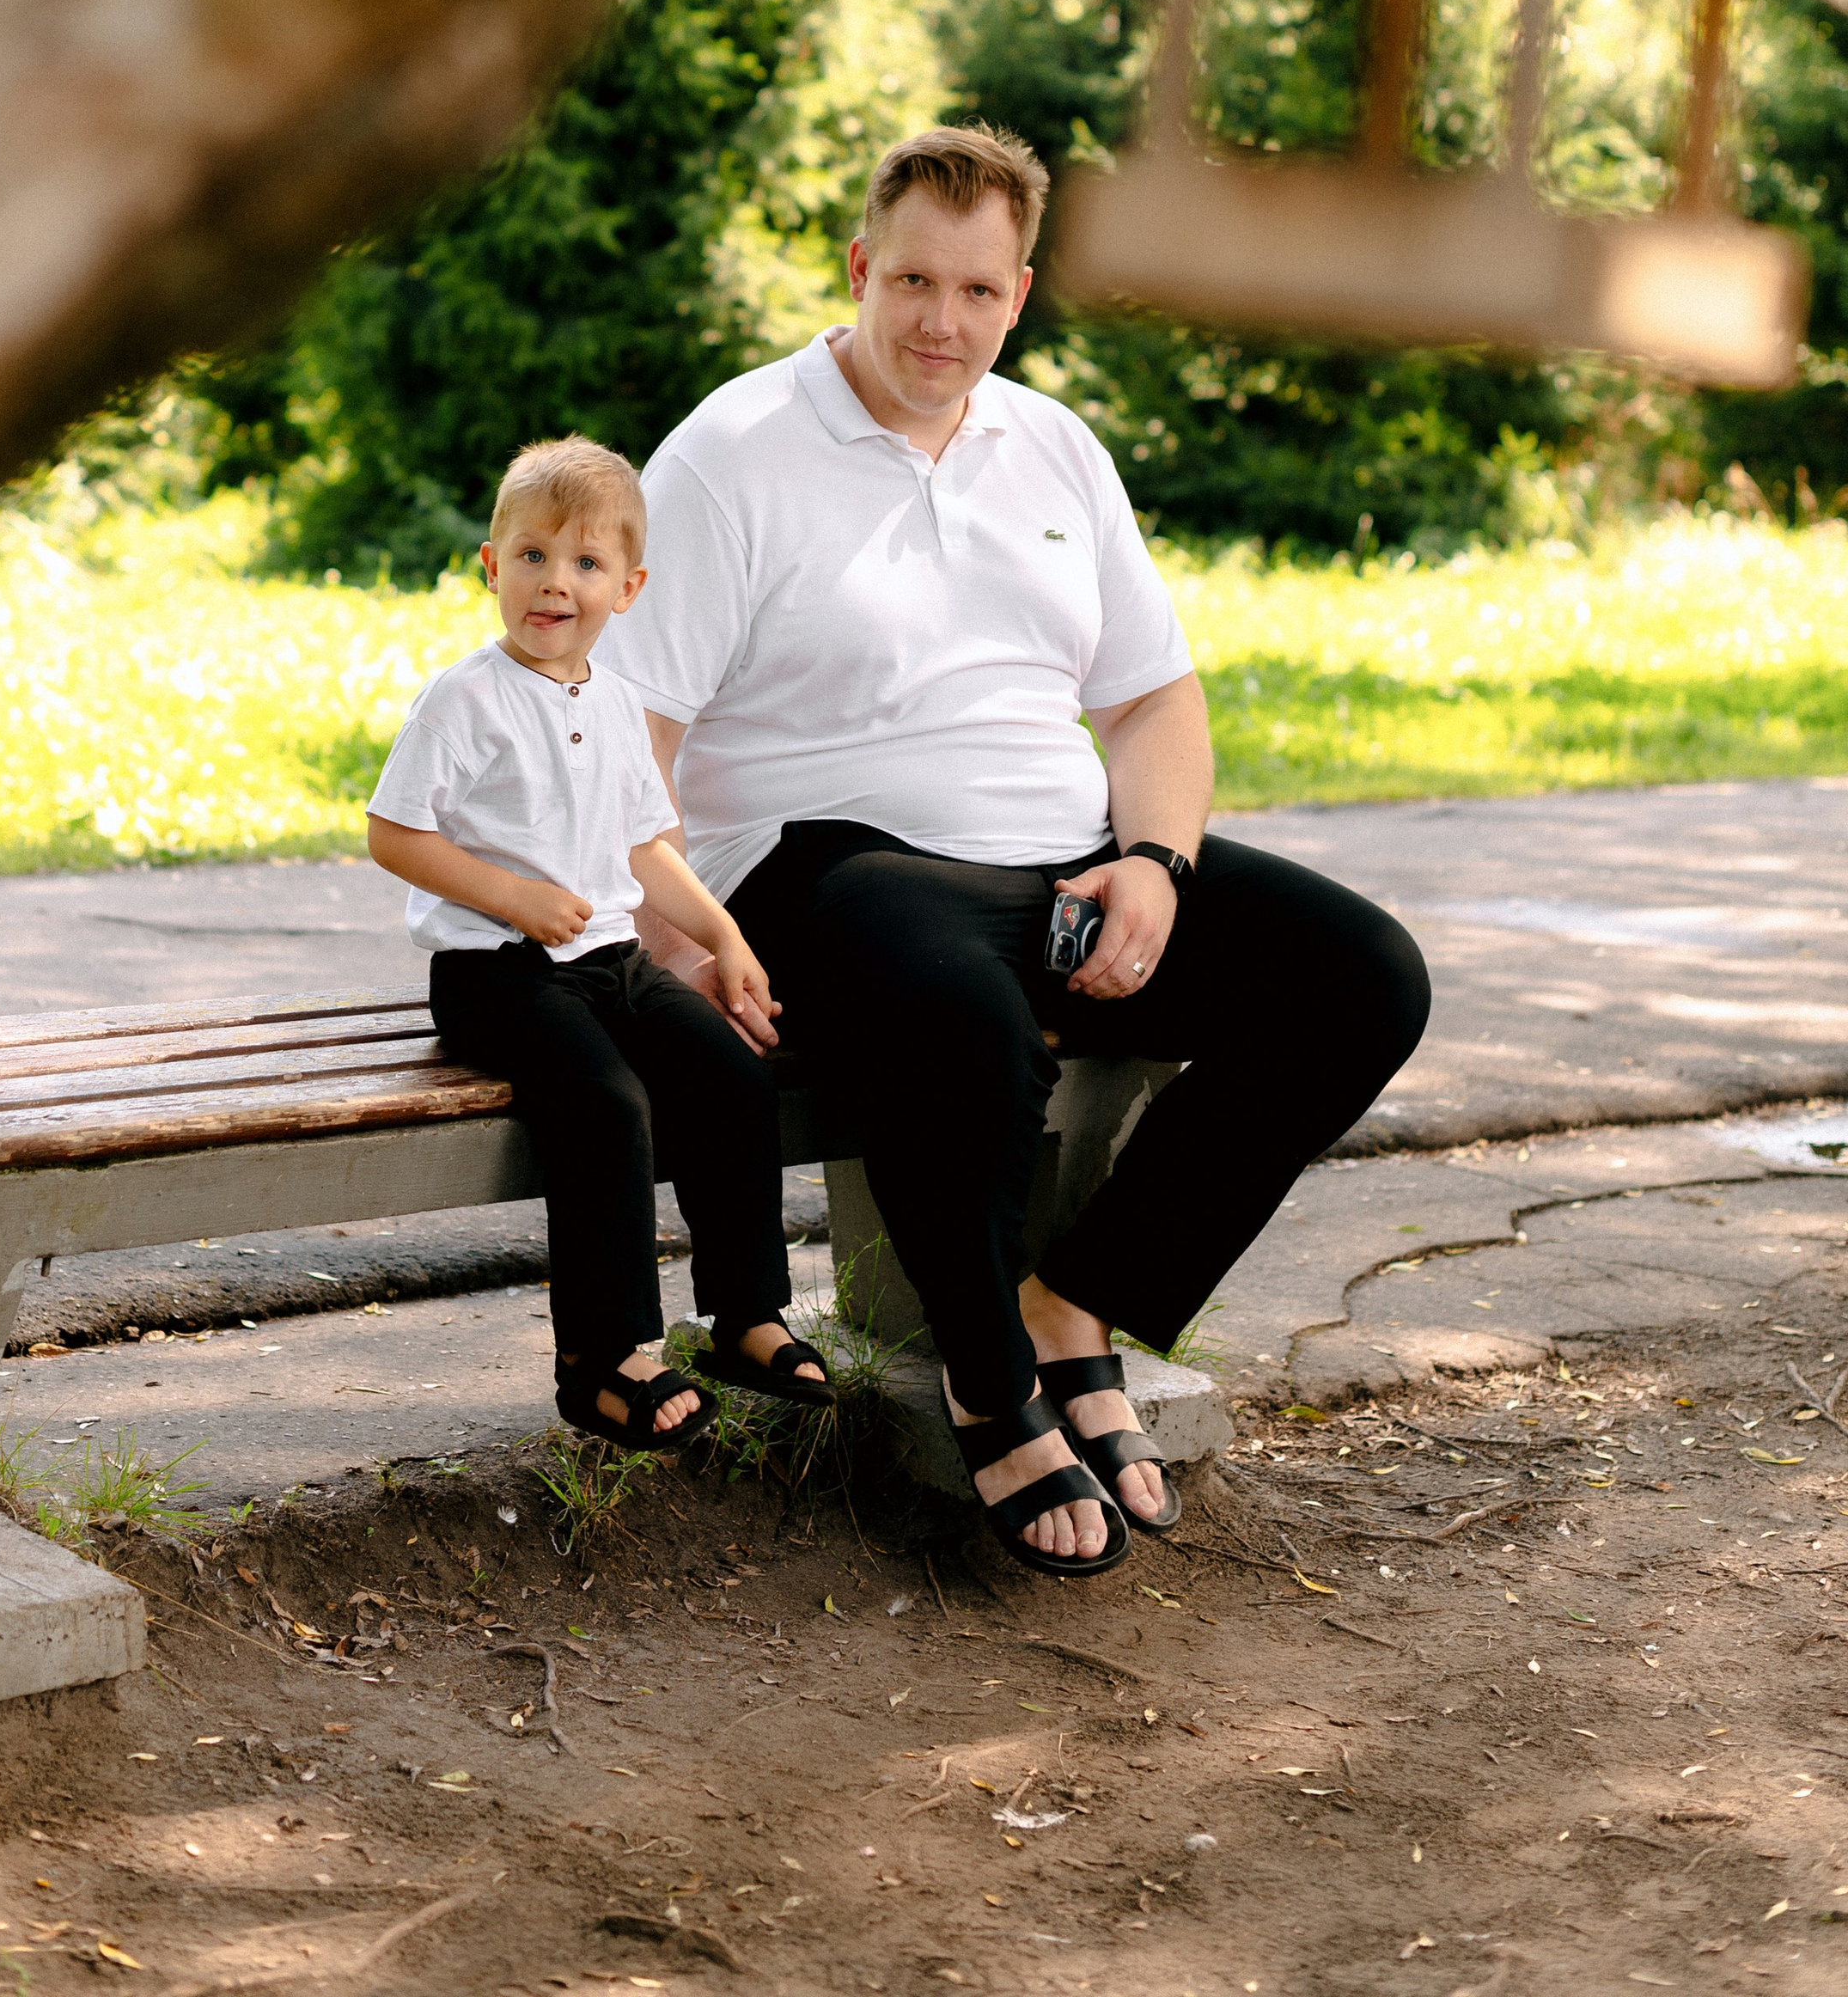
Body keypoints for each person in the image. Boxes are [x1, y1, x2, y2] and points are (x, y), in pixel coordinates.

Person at [605, 127, 1430, 1576]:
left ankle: (1077, 1300)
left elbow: (1154, 695)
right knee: (961, 1016)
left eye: (978, 290)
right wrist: (672, 925)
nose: (943, 320)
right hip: (826, 859)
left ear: (1020, 292)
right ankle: (992, 1385)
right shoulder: (734, 454)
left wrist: (1156, 863)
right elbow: (631, 731)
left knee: (1363, 973)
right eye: (914, 279)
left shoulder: (1051, 443)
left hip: (1057, 854)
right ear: (861, 266)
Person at [367, 436, 833, 1449]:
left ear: (629, 586)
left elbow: (644, 843)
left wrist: (721, 930)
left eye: (585, 563)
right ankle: (606, 1357)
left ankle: (745, 1313)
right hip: (496, 975)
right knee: (605, 1102)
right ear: (492, 566)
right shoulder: (465, 697)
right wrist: (512, 896)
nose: (555, 582)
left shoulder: (618, 703)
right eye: (532, 555)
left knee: (730, 1067)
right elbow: (394, 831)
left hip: (610, 960)